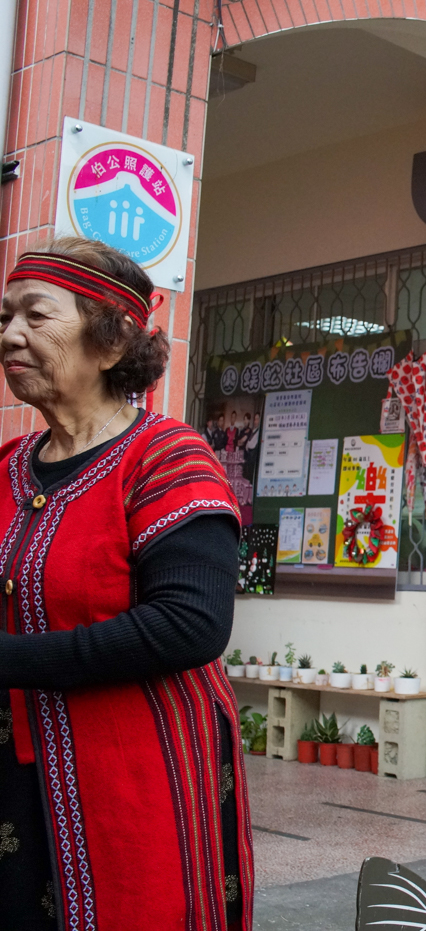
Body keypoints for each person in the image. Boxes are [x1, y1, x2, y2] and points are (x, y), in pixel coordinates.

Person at [0, 238, 249, 929]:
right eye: (4, 317)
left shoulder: (166, 457)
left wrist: (9, 660)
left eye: (36, 316)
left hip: (139, 772)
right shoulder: (8, 465)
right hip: (19, 773)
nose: (11, 334)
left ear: (109, 342)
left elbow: (191, 624)